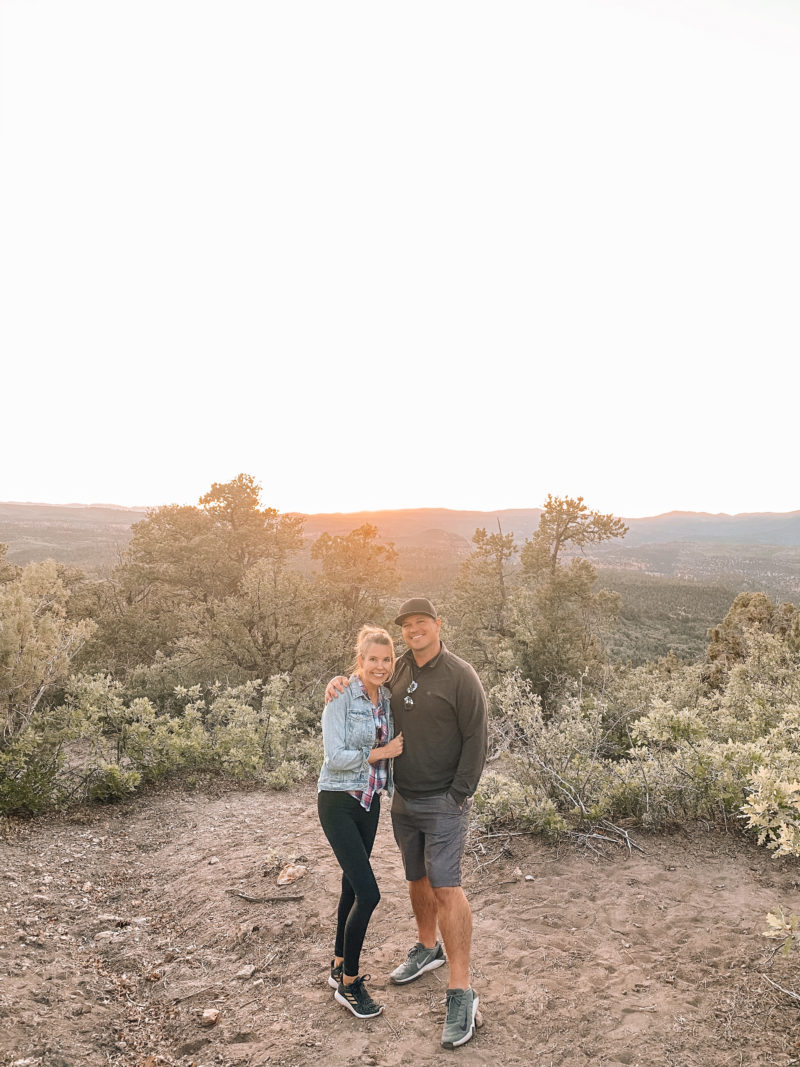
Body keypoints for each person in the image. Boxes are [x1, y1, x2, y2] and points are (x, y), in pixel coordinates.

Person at [326, 598, 488, 1049]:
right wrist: (338, 682)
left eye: (422, 623)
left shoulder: (461, 675)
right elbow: (366, 680)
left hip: (444, 801)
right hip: (403, 798)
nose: (414, 630)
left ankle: (461, 990)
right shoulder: (398, 670)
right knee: (415, 877)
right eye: (407, 626)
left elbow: (478, 736)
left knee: (446, 886)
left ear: (438, 625)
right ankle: (426, 946)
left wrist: (460, 793)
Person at [317, 625, 404, 1020]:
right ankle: (350, 984)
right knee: (370, 894)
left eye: (387, 660)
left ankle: (338, 966)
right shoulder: (340, 697)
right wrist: (381, 751)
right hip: (338, 800)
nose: (380, 666)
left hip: (369, 803)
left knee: (351, 888)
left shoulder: (386, 698)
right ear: (360, 659)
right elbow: (335, 756)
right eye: (373, 659)